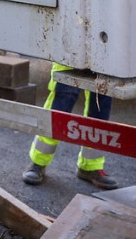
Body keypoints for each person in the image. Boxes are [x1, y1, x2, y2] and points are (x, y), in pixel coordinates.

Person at [21, 62, 119, 190]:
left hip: (105, 53)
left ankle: (90, 166)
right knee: (60, 106)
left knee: (100, 107)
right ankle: (38, 162)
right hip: (70, 51)